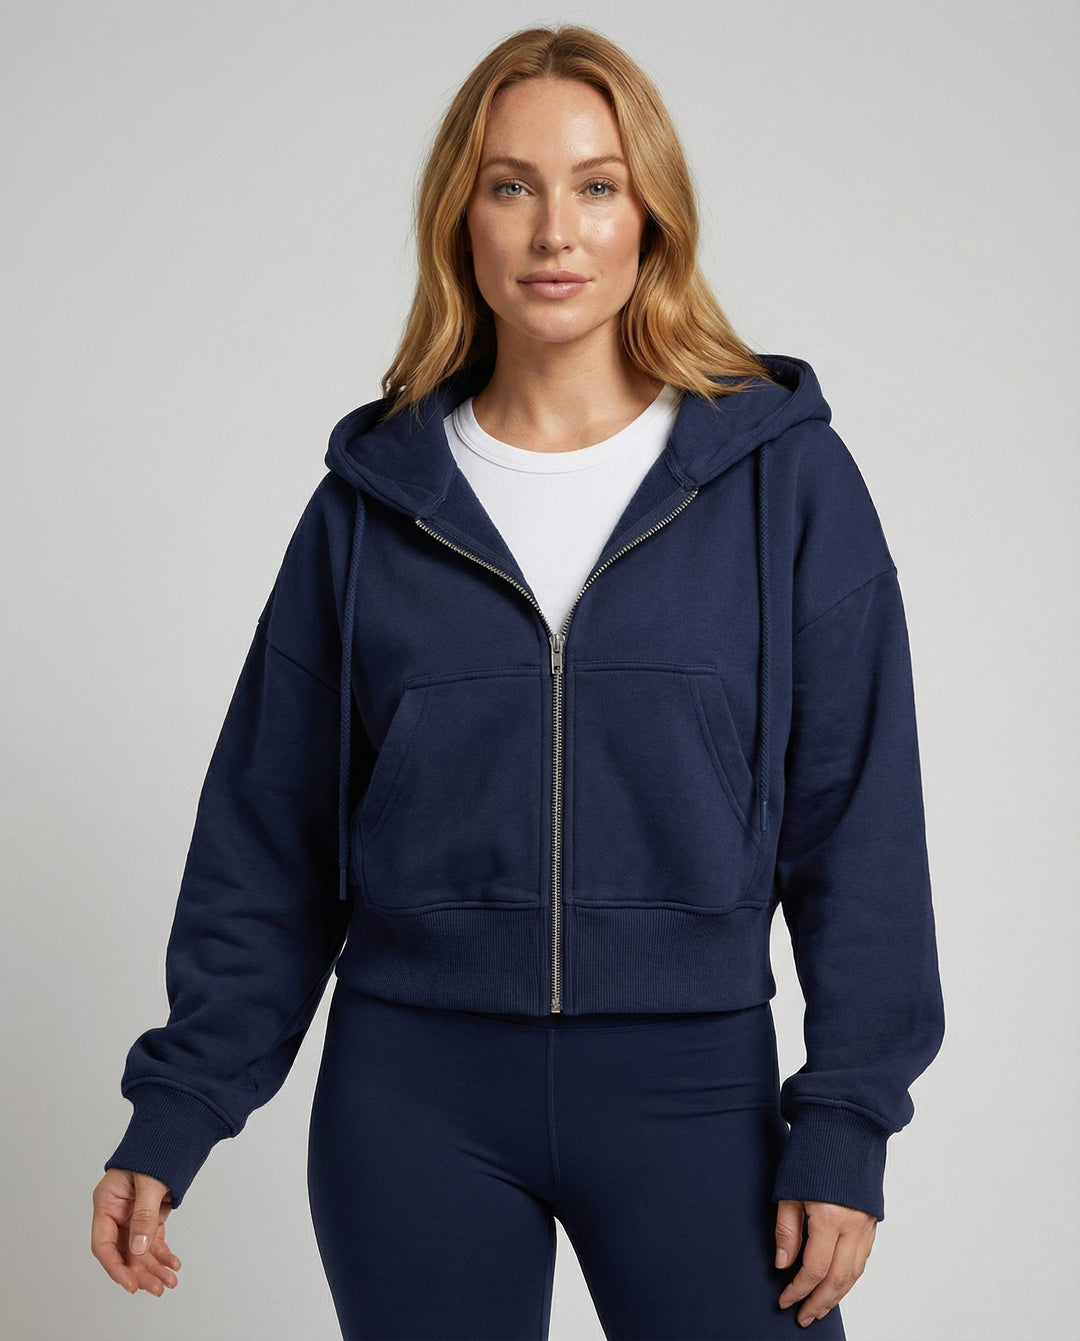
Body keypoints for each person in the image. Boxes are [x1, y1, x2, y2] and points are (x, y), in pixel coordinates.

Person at [91, 22, 945, 1340]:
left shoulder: (781, 480)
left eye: (597, 185)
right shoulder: (372, 506)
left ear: (651, 218)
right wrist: (180, 1104)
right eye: (512, 185)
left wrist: (848, 1117)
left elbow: (860, 821)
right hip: (412, 1096)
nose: (556, 230)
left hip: (694, 1089)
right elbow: (270, 833)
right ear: (463, 218)